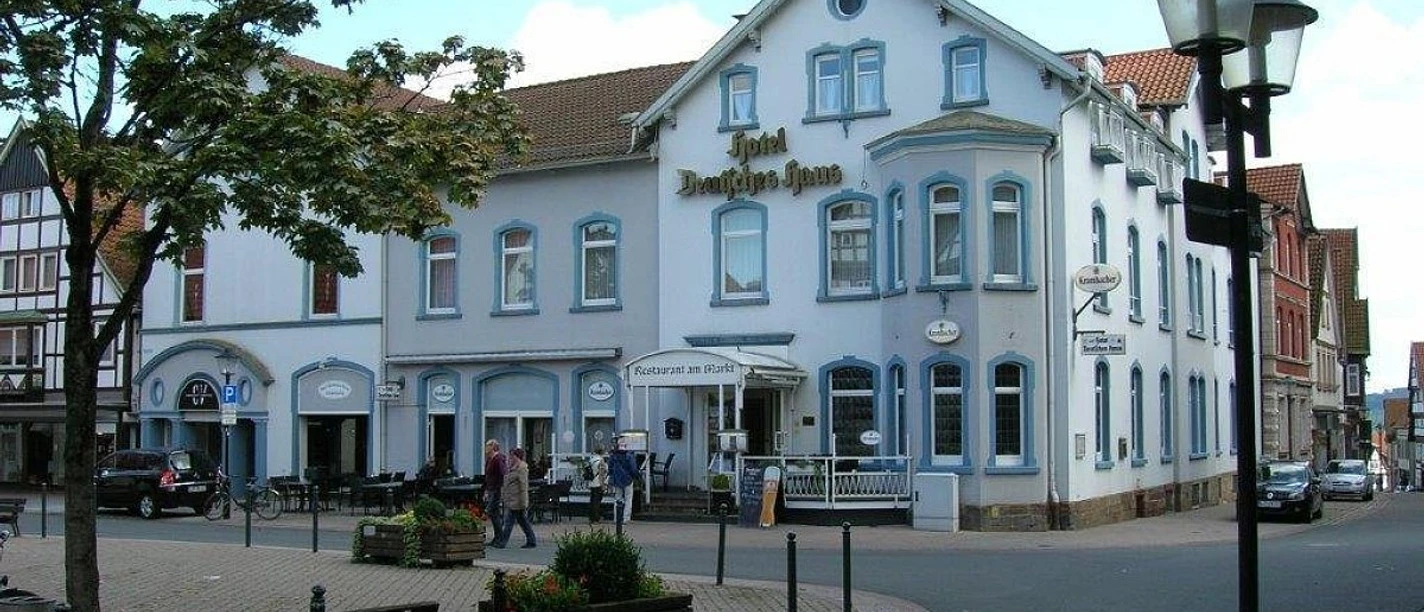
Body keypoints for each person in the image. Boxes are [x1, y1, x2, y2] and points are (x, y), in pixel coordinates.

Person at [491, 447, 537, 549]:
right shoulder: (511, 467)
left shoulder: (522, 468)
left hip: (517, 500)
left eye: (512, 455)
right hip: (511, 499)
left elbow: (523, 486)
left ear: (517, 456)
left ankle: (502, 542)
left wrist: (524, 502)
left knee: (509, 522)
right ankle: (531, 540)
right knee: (523, 521)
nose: (510, 458)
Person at [608, 445, 637, 524]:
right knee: (628, 498)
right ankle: (626, 518)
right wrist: (633, 476)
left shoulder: (613, 457)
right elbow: (633, 469)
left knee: (617, 498)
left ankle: (616, 518)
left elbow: (609, 468)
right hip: (628, 479)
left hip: (617, 479)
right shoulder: (629, 456)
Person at [482, 440, 506, 538]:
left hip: (496, 489)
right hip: (490, 488)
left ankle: (500, 536)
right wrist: (486, 490)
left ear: (493, 447)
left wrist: (500, 487)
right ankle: (498, 536)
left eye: (488, 446)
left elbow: (502, 473)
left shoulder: (498, 459)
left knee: (492, 511)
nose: (486, 448)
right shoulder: (489, 459)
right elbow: (487, 475)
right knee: (494, 514)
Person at [587, 446, 609, 524]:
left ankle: (591, 518)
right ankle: (596, 518)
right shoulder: (601, 461)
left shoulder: (591, 460)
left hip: (592, 482)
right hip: (598, 483)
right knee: (597, 502)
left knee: (592, 500)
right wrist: (603, 485)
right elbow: (601, 474)